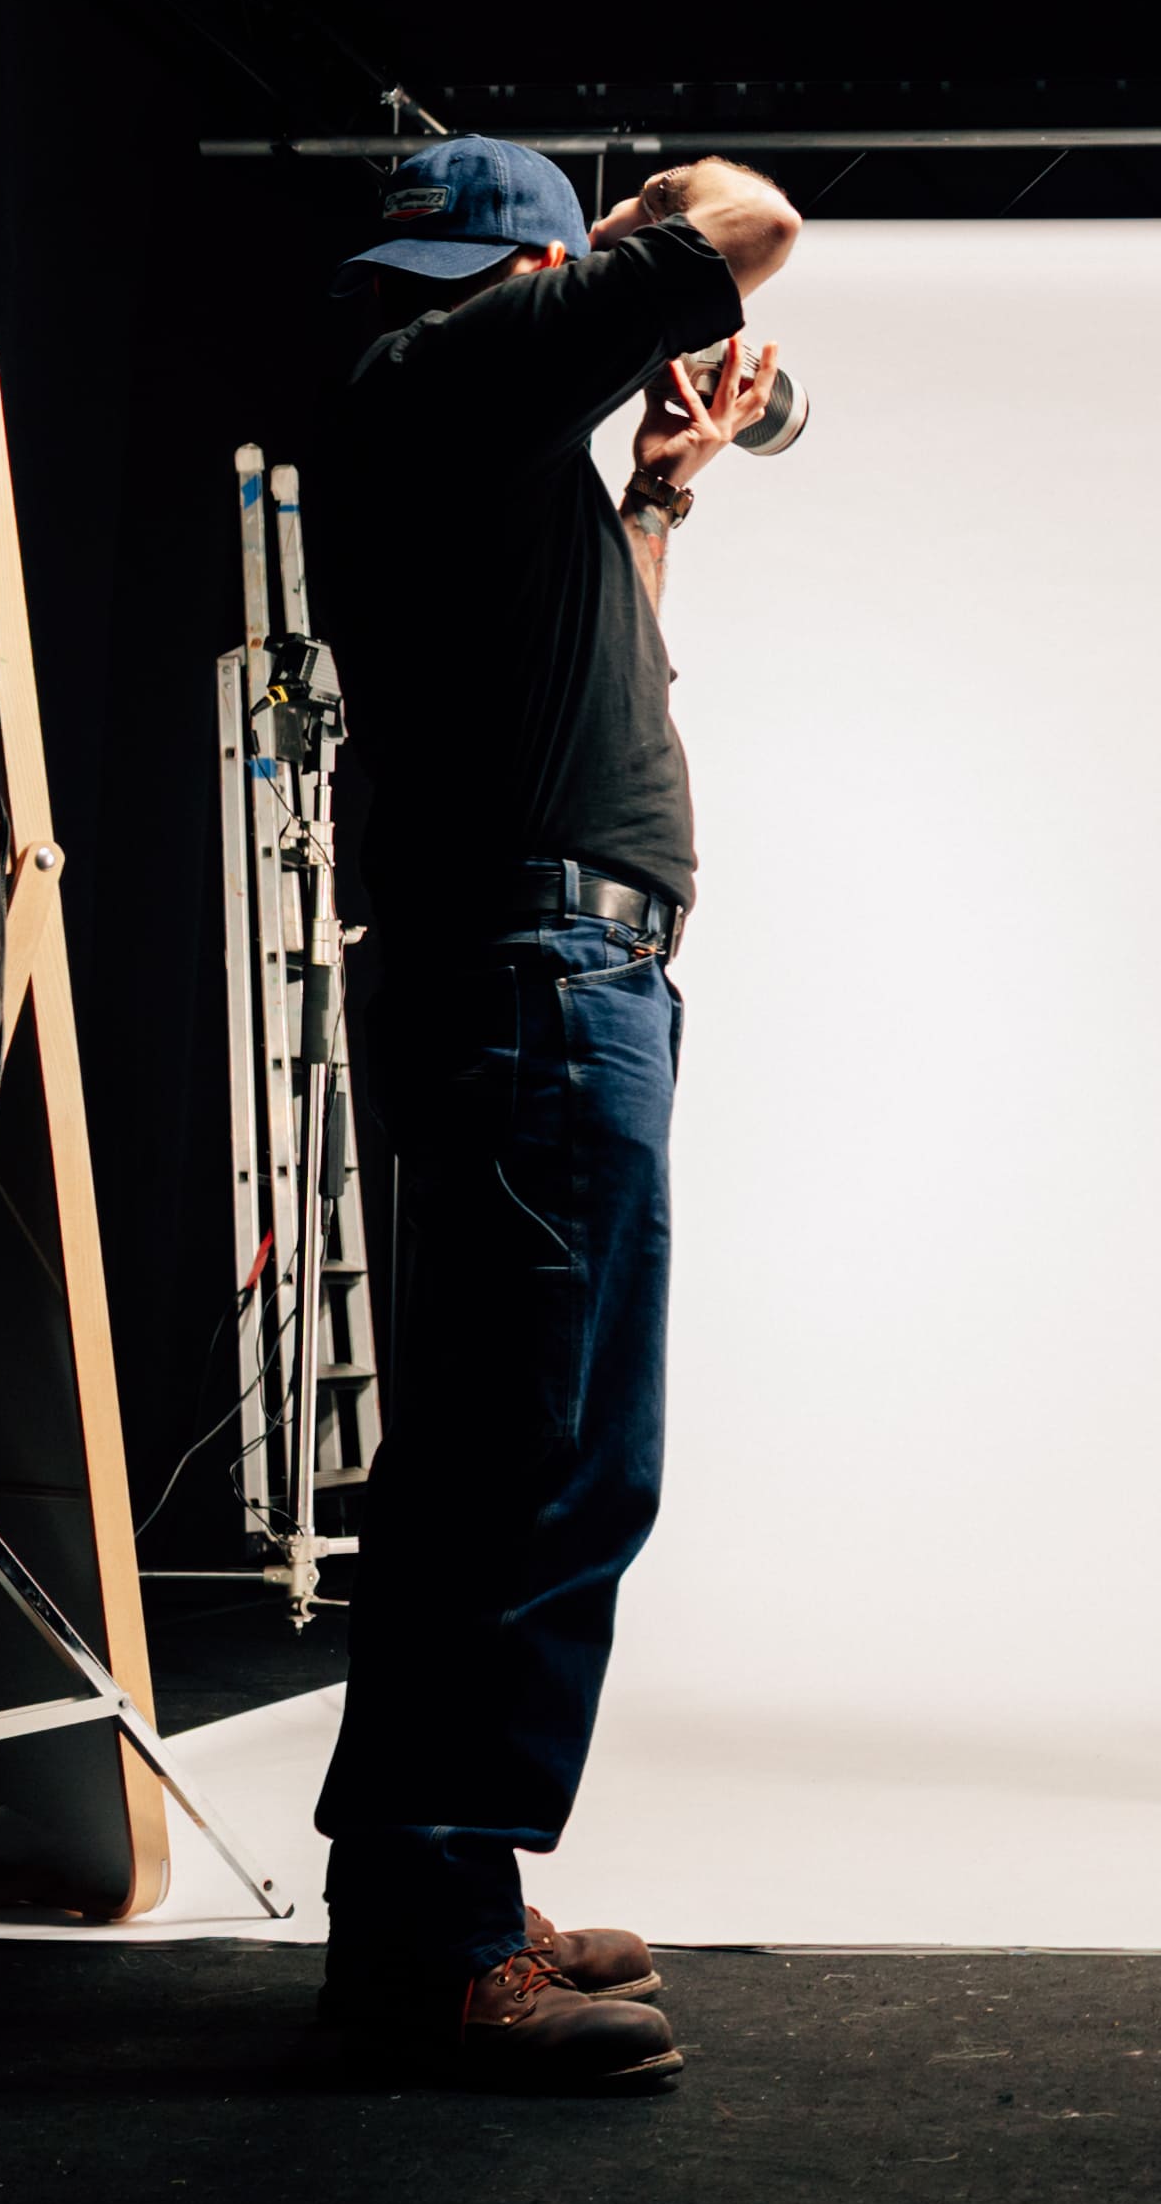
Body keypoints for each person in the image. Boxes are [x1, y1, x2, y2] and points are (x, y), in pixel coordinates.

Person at [296, 135, 796, 2084]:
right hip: (531, 977)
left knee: (543, 1447)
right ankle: (428, 1941)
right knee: (530, 1455)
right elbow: (756, 217)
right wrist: (645, 228)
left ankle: (455, 1901)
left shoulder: (471, 440)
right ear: (519, 279)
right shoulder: (453, 368)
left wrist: (660, 492)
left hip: (553, 975)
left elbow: (590, 668)